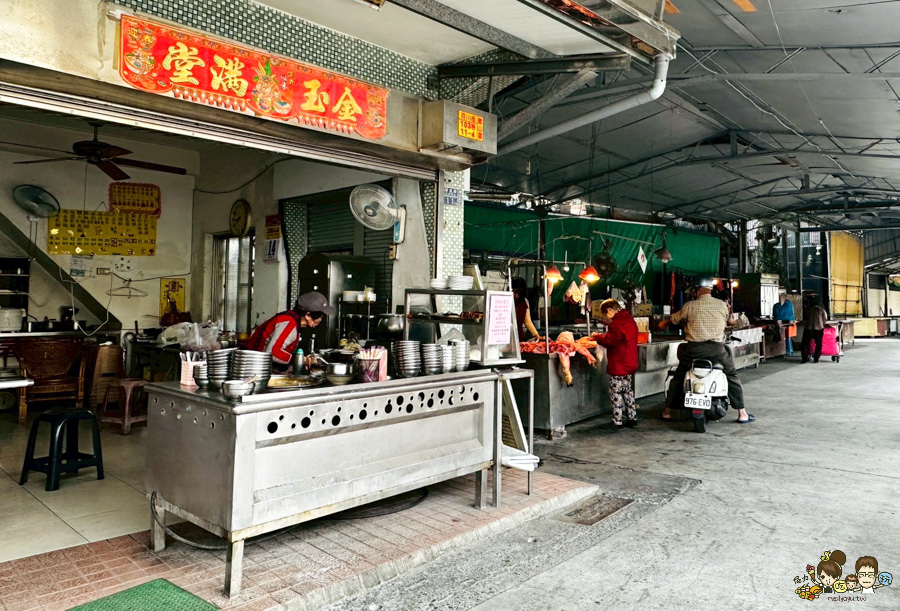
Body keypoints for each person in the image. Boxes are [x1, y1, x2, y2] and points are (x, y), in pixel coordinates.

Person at [660, 277, 753, 424]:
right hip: (717, 350)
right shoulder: (722, 305)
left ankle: (667, 411)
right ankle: (742, 413)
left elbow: (674, 319)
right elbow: (731, 323)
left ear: (698, 290)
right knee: (732, 375)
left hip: (693, 350)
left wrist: (663, 323)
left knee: (678, 376)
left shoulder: (689, 306)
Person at [245, 291, 335, 367]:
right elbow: (273, 352)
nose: (321, 319)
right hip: (256, 367)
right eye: (320, 315)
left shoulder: (296, 320)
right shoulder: (289, 323)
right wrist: (301, 360)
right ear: (307, 315)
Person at [592, 299, 639, 429]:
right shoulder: (629, 319)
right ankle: (632, 417)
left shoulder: (616, 324)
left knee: (616, 393)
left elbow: (610, 341)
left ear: (610, 310)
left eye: (605, 314)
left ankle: (617, 421)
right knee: (628, 391)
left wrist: (597, 337)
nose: (606, 317)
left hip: (619, 363)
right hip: (629, 362)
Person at [801, 294, 829, 363]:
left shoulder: (808, 309)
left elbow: (804, 318)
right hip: (819, 328)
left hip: (808, 328)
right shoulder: (821, 309)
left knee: (805, 343)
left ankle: (804, 358)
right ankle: (816, 359)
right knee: (818, 344)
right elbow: (825, 319)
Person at [511, 277, 540, 341]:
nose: (516, 295)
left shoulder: (524, 302)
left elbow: (527, 321)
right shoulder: (506, 300)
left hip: (519, 335)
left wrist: (537, 335)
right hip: (507, 335)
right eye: (514, 291)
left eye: (518, 292)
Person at [772, 290, 795, 356]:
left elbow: (776, 316)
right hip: (787, 323)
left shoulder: (786, 304)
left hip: (786, 323)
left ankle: (788, 350)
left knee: (787, 337)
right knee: (787, 337)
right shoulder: (787, 304)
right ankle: (788, 351)